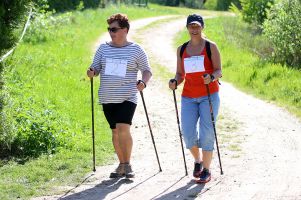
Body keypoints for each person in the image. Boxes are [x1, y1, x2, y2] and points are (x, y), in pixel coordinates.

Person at [87, 13, 152, 178]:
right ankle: (121, 164)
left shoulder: (136, 49)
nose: (111, 32)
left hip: (128, 97)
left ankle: (127, 164)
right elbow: (95, 68)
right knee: (115, 132)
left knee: (124, 128)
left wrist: (143, 82)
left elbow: (147, 70)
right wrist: (92, 72)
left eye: (114, 29)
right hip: (108, 98)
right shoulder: (103, 48)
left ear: (125, 30)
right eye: (109, 29)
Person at [169, 14, 222, 183]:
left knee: (207, 132)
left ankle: (206, 170)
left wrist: (211, 77)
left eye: (197, 26)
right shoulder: (182, 49)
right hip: (188, 97)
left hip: (209, 95)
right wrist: (175, 81)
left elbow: (219, 71)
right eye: (191, 26)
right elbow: (180, 73)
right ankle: (198, 161)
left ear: (202, 27)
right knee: (188, 133)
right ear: (187, 28)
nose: (194, 29)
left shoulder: (210, 47)